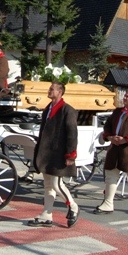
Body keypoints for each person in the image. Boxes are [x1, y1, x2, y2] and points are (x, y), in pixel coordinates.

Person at [28, 82, 79, 228]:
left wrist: (71, 154)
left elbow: (72, 133)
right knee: (48, 185)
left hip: (59, 153)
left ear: (60, 92)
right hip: (47, 154)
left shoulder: (67, 110)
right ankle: (46, 214)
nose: (49, 91)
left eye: (52, 89)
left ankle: (73, 206)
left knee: (57, 185)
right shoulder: (48, 109)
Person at [94, 88, 128, 215]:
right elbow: (107, 125)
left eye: (127, 96)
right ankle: (108, 203)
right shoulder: (118, 111)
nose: (124, 98)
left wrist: (125, 139)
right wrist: (109, 137)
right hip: (115, 149)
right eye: (124, 96)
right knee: (110, 176)